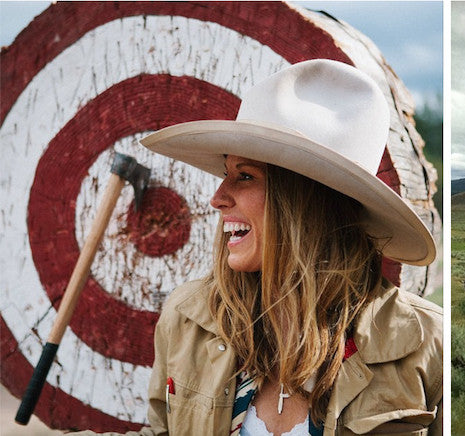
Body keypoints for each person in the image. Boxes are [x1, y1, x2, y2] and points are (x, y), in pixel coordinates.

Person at [93, 60, 443, 434]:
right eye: (226, 173)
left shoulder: (425, 343)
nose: (217, 198)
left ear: (308, 202)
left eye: (244, 176)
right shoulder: (186, 319)